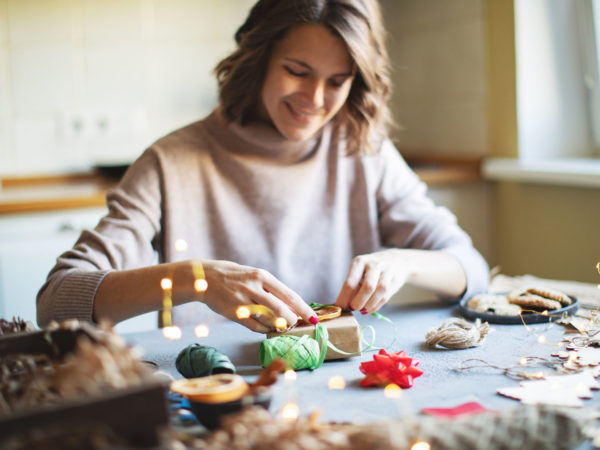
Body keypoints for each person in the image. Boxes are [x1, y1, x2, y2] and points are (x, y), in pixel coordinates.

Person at [37, 0, 489, 334]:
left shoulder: (361, 149)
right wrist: (198, 280)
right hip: (219, 395)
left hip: (347, 388)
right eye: (297, 70)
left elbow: (472, 269)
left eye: (336, 81)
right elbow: (56, 302)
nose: (314, 101)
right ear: (258, 61)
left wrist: (404, 263)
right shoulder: (170, 162)